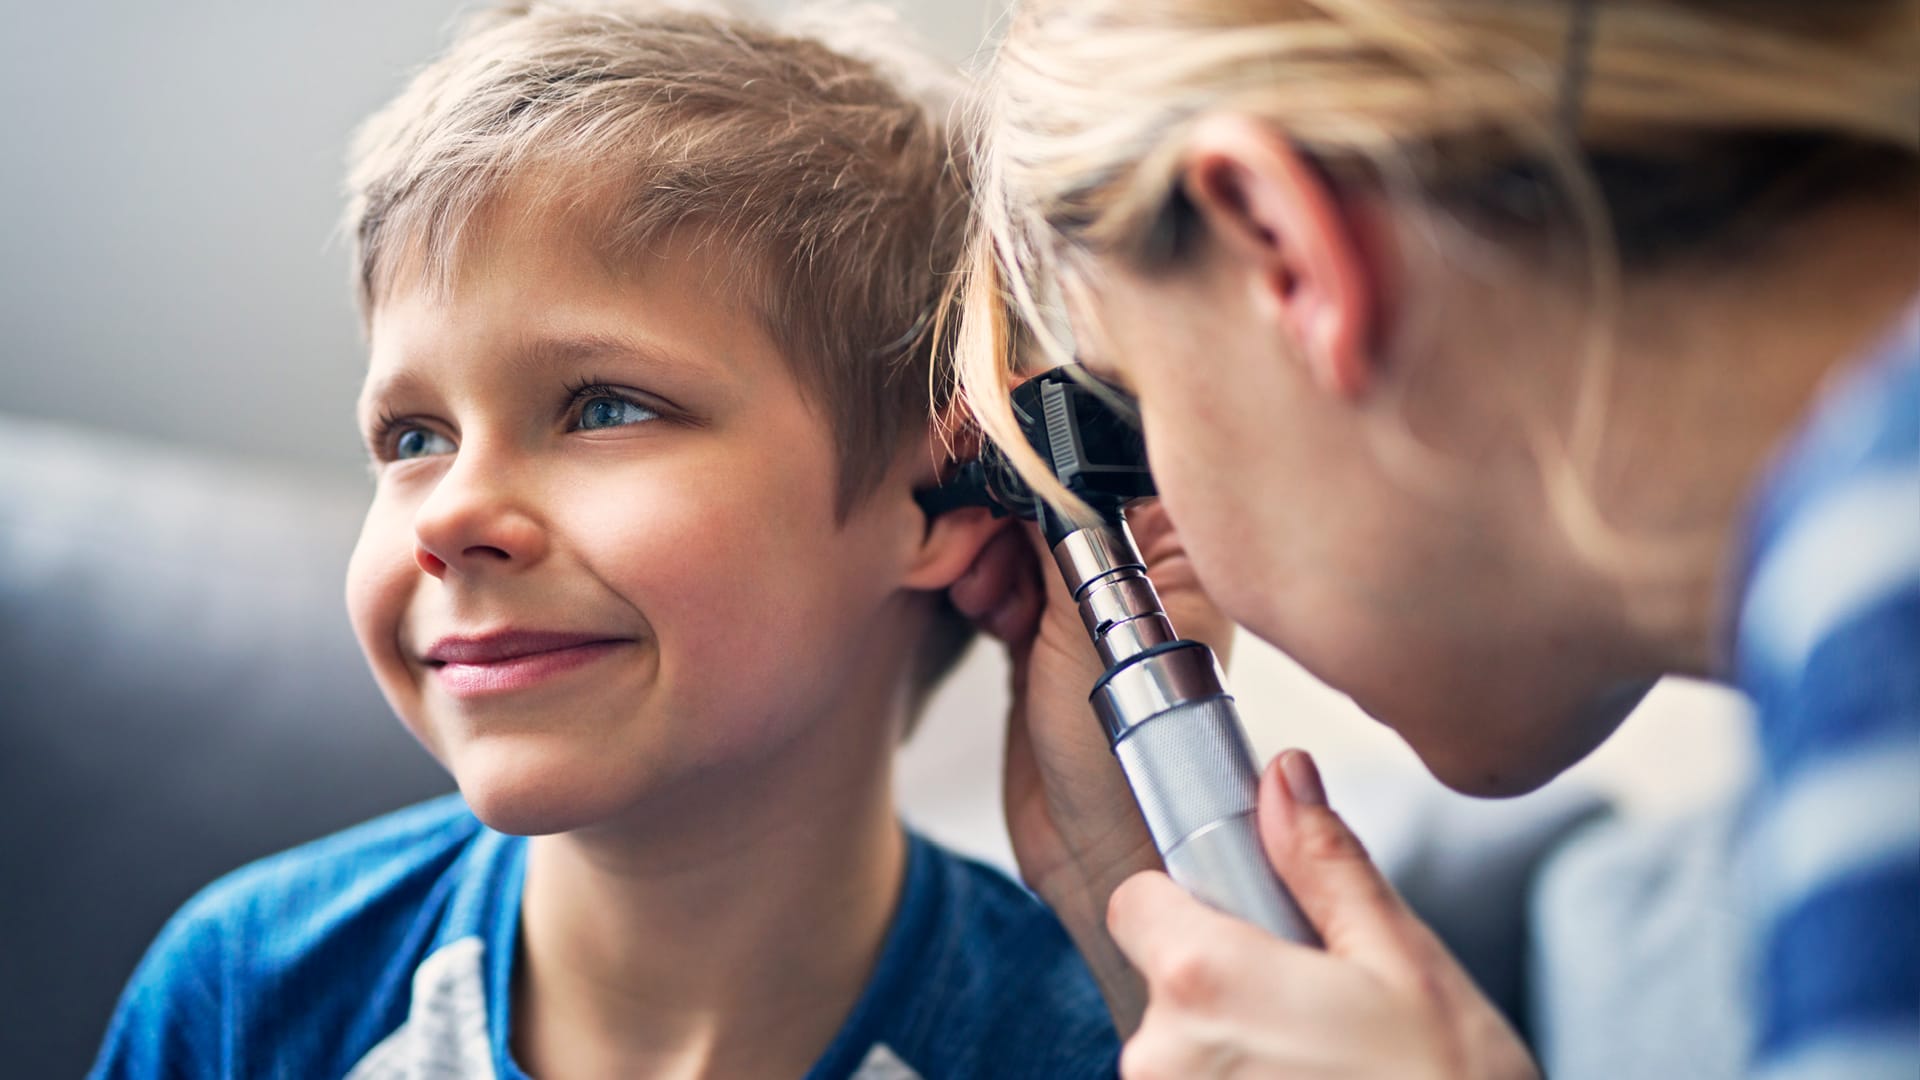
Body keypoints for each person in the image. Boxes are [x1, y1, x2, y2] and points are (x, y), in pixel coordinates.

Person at [88, 3, 1124, 1077]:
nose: (447, 517)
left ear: (939, 501)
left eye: (605, 409)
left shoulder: (1111, 1039)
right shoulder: (243, 996)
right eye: (414, 436)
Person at [943, 0, 1919, 1076]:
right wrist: (1129, 878)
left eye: (1137, 402)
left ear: (1283, 252)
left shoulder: (1884, 568)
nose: (1170, 513)